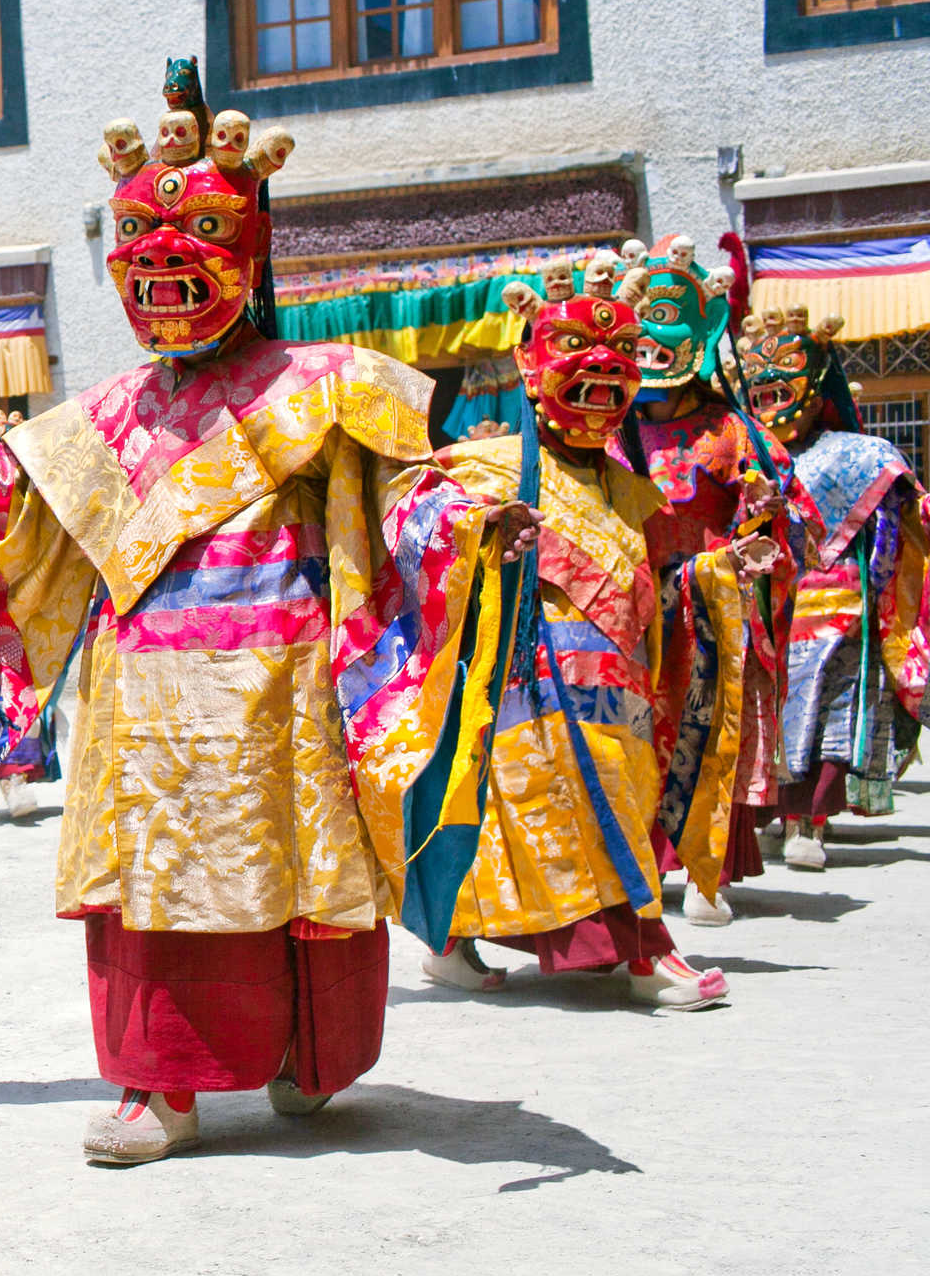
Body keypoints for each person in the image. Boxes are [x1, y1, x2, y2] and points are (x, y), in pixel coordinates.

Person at [0, 59, 457, 1166]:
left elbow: (405, 503)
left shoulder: (329, 384)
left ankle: (300, 1053)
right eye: (140, 266)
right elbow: (8, 534)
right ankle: (162, 1087)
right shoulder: (99, 417)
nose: (165, 284)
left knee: (292, 877)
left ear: (251, 253)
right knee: (153, 894)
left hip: (284, 687)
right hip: (142, 701)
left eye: (190, 260)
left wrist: (465, 517)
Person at [365, 253, 762, 1012]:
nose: (600, 386)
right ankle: (643, 952)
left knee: (587, 811)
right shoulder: (486, 462)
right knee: (551, 813)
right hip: (527, 678)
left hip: (622, 687)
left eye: (615, 374)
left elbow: (657, 589)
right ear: (531, 368)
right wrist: (481, 532)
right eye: (578, 368)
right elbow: (408, 525)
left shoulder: (625, 484)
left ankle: (453, 943)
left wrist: (717, 572)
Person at [611, 237, 815, 925]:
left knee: (706, 732)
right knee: (633, 737)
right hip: (634, 613)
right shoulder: (609, 429)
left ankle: (704, 876)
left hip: (707, 608)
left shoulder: (732, 430)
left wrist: (763, 515)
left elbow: (783, 506)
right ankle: (637, 866)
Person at [737, 308, 926, 868]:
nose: (772, 408)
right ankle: (770, 814)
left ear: (817, 393)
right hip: (766, 600)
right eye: (761, 395)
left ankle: (809, 822)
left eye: (783, 392)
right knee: (765, 710)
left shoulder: (862, 455)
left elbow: (900, 524)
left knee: (831, 710)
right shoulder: (742, 453)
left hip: (836, 597)